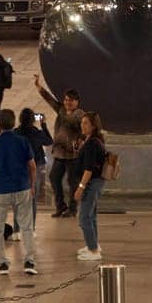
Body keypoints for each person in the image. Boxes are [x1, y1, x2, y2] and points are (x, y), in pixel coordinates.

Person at [35, 77, 83, 216]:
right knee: (54, 178)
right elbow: (49, 99)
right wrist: (39, 86)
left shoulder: (79, 114)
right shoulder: (61, 110)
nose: (67, 102)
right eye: (66, 99)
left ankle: (72, 209)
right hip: (59, 154)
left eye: (71, 100)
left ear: (77, 102)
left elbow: (85, 130)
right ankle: (60, 206)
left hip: (72, 156)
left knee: (73, 182)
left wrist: (80, 141)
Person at [75, 111, 107, 261]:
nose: (82, 125)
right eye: (82, 122)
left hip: (91, 183)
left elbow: (89, 169)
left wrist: (81, 187)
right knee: (91, 215)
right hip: (96, 182)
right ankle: (93, 244)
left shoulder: (92, 144)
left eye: (86, 123)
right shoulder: (92, 140)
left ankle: (93, 251)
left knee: (84, 217)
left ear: (93, 126)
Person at [18, 106, 53, 230]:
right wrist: (43, 125)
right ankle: (31, 227)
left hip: (19, 168)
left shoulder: (16, 133)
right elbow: (49, 141)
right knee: (32, 197)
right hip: (36, 166)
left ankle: (18, 228)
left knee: (20, 198)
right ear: (33, 119)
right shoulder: (37, 133)